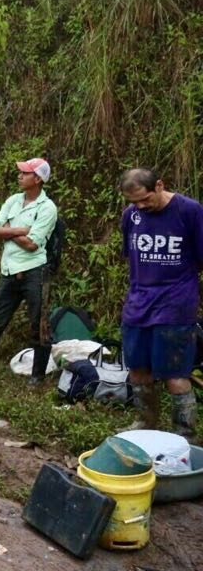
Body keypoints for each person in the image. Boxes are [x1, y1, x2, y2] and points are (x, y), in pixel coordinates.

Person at [118, 168, 202, 439]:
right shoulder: (131, 216)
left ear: (159, 185)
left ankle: (184, 435)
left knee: (175, 374)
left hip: (176, 305)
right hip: (138, 304)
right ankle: (146, 424)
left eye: (145, 199)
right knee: (137, 370)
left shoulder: (189, 211)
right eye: (134, 202)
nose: (141, 206)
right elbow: (131, 257)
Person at [0, 158, 57, 385]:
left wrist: (6, 230)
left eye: (25, 173)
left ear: (38, 179)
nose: (20, 176)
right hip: (10, 271)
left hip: (35, 272)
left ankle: (37, 375)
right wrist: (20, 230)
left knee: (38, 325)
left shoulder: (47, 208)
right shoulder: (14, 200)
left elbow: (32, 244)